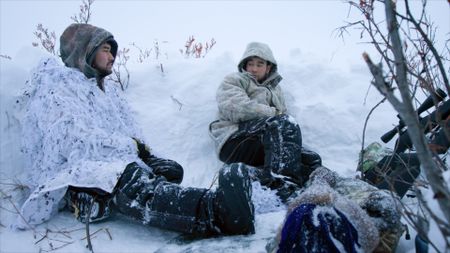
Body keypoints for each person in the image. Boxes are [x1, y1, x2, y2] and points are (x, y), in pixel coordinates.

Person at [15, 23, 254, 237]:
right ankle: (217, 212)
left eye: (112, 50)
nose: (112, 57)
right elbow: (72, 142)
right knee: (132, 180)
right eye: (105, 50)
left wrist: (145, 153)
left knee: (170, 170)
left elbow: (129, 132)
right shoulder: (59, 88)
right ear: (85, 51)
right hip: (75, 168)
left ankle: (94, 201)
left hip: (111, 158)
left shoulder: (106, 91)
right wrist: (129, 148)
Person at [209, 42, 321, 201]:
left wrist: (279, 120)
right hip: (234, 140)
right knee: (283, 123)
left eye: (259, 64)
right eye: (250, 64)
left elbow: (282, 129)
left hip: (261, 142)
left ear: (269, 67)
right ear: (244, 65)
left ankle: (320, 189)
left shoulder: (276, 90)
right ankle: (281, 189)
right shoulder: (235, 79)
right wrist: (273, 113)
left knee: (310, 159)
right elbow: (237, 108)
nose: (254, 68)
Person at [266, 166, 404, 253]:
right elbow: (372, 238)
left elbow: (279, 241)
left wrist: (320, 184)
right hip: (358, 211)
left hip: (337, 204)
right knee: (387, 203)